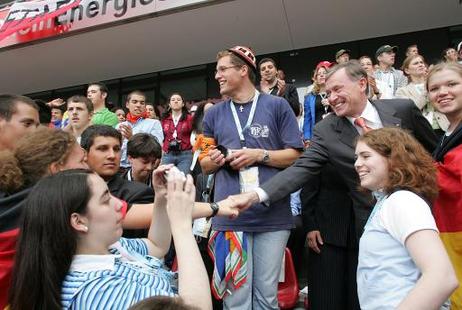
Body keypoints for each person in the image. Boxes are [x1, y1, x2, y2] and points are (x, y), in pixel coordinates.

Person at [224, 61, 438, 310]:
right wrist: (255, 196)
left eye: (337, 90)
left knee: (428, 278)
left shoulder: (402, 110)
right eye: (327, 94)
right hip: (370, 227)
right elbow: (302, 169)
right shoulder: (326, 130)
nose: (331, 99)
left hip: (417, 220)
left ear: (361, 84)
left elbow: (436, 154)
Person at [9, 166, 213, 310]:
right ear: (78, 222)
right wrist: (182, 225)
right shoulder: (97, 291)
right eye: (106, 199)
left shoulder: (108, 247)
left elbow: (157, 246)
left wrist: (161, 199)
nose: (119, 204)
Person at [201, 45, 303, 309]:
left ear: (243, 70)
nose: (217, 76)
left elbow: (296, 156)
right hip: (230, 217)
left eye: (222, 69)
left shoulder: (278, 106)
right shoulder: (213, 113)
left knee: (267, 297)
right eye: (217, 70)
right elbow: (202, 163)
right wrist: (214, 160)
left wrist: (259, 155)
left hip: (273, 215)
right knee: (236, 299)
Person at [354, 128, 458, 309]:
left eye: (365, 156)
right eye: (357, 157)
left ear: (393, 158)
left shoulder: (403, 201)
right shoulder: (389, 202)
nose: (357, 164)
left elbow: (442, 278)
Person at [0, 128, 87, 310]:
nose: (88, 168)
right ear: (56, 169)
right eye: (82, 161)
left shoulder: (13, 199)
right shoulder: (52, 208)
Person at [427, 62, 462, 308]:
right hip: (450, 230)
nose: (443, 92)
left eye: (452, 84)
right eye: (435, 88)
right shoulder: (447, 132)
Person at [396, 54, 449, 137]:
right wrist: (426, 87)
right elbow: (413, 110)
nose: (420, 64)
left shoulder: (437, 85)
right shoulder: (402, 91)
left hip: (445, 127)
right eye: (416, 63)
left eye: (421, 62)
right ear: (407, 70)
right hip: (422, 132)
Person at [116, 90, 164, 169]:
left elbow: (156, 150)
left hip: (141, 169)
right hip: (118, 168)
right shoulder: (120, 125)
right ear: (127, 104)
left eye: (142, 103)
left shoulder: (154, 123)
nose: (138, 105)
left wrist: (132, 138)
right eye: (134, 102)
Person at [161, 93, 194, 175]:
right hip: (168, 154)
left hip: (185, 154)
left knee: (183, 179)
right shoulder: (164, 119)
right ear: (169, 104)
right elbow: (161, 137)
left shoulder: (189, 118)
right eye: (173, 100)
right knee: (165, 180)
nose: (176, 101)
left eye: (178, 100)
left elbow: (195, 135)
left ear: (183, 104)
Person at [303, 61, 333, 145]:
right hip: (318, 134)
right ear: (315, 78)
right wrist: (307, 138)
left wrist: (332, 104)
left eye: (324, 73)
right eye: (319, 74)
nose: (321, 75)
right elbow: (307, 119)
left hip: (334, 131)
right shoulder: (309, 97)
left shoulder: (335, 93)